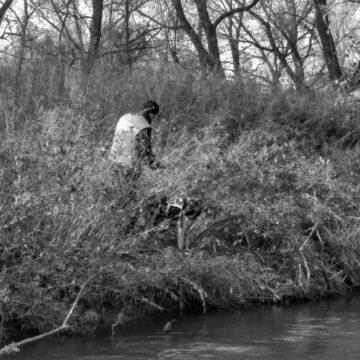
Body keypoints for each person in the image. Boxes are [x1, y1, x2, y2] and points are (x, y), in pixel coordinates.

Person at [109, 100, 161, 179]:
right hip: (129, 166)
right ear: (151, 114)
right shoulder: (144, 126)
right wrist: (151, 163)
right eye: (154, 115)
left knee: (114, 187)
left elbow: (114, 137)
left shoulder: (125, 117)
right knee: (128, 189)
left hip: (114, 159)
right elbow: (144, 149)